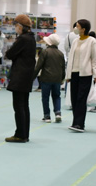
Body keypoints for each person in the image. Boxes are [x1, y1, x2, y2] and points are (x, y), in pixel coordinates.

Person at [5, 14, 36, 143]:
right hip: (27, 77)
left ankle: (20, 134)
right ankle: (24, 134)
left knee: (18, 107)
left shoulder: (23, 39)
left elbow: (10, 54)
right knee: (24, 106)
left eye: (16, 26)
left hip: (19, 77)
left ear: (21, 27)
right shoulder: (31, 39)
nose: (15, 28)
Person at [65, 18, 96, 132]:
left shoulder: (92, 41)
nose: (75, 28)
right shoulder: (75, 41)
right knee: (74, 98)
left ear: (83, 29)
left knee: (81, 98)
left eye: (78, 26)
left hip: (86, 74)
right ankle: (75, 122)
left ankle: (80, 124)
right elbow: (71, 59)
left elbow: (94, 59)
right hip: (74, 73)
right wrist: (68, 75)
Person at [33, 33, 65, 123]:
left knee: (45, 97)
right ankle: (58, 113)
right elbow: (63, 68)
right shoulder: (61, 54)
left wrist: (32, 77)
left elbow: (38, 66)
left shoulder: (45, 52)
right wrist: (62, 79)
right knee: (56, 96)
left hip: (46, 78)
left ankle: (47, 116)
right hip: (57, 79)